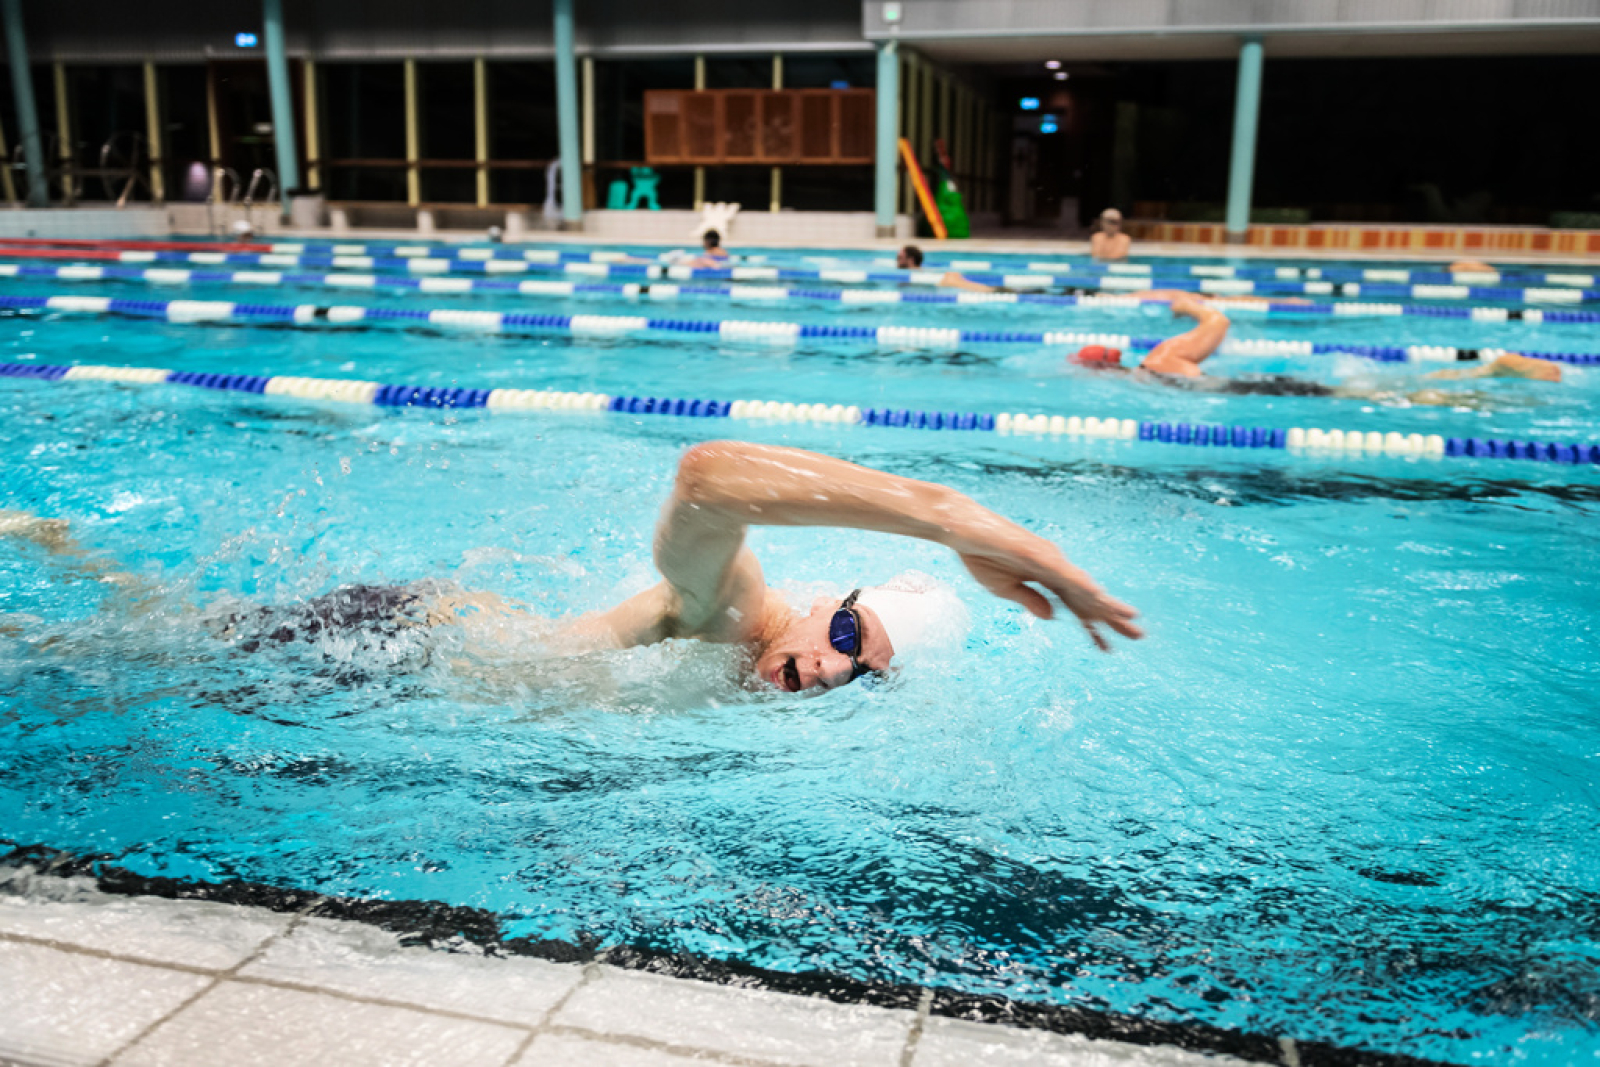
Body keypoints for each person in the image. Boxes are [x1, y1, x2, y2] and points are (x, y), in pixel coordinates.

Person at [1, 443, 1143, 696]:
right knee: (114, 649)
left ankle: (55, 548)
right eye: (846, 638)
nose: (830, 673)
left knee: (136, 633)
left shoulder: (774, 676)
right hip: (395, 638)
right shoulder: (739, 613)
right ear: (832, 604)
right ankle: (51, 546)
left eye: (863, 673)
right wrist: (944, 522)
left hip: (404, 674)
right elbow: (706, 479)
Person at [1070, 291, 1563, 399]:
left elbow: (1218, 321)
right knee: (1380, 389)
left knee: (1383, 395)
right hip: (1251, 389)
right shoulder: (1151, 370)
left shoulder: (1159, 361)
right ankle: (1483, 375)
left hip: (1255, 388)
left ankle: (1487, 376)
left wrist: (1193, 308)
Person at [896, 245, 997, 293]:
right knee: (985, 289)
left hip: (943, 282)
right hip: (946, 277)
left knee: (986, 290)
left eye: (899, 258)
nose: (897, 261)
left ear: (911, 260)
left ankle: (996, 290)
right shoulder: (925, 270)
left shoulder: (912, 274)